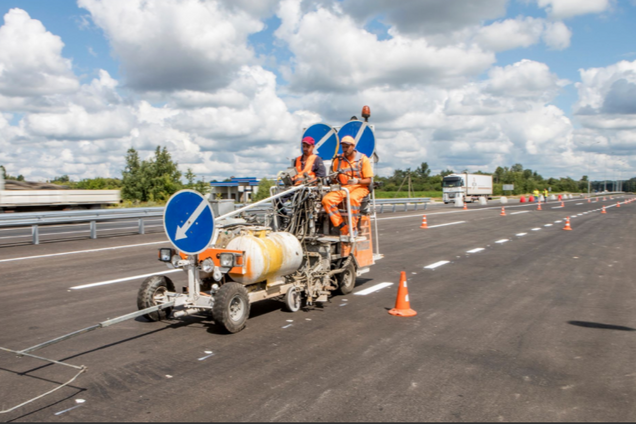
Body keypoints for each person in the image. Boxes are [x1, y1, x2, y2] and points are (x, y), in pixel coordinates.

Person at [322, 135, 373, 238]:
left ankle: (353, 228)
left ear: (353, 146)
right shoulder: (338, 160)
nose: (345, 149)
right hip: (344, 188)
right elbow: (334, 178)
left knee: (353, 199)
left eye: (347, 147)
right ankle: (342, 226)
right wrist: (334, 178)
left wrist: (357, 181)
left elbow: (368, 180)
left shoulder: (363, 159)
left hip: (360, 187)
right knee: (327, 200)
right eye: (343, 147)